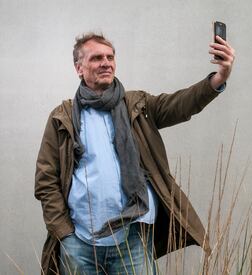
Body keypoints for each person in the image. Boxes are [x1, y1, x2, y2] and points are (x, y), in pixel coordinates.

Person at [34, 31, 235, 274]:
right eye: (97, 58)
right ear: (79, 68)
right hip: (80, 240)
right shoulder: (62, 117)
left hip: (133, 237)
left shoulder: (138, 106)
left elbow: (181, 104)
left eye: (110, 57)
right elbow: (46, 181)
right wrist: (64, 232)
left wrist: (219, 77)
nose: (106, 63)